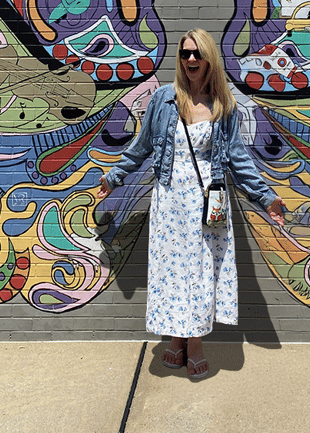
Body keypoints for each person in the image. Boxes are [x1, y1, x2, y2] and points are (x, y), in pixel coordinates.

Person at [98, 28, 287, 380]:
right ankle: (175, 339)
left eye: (197, 54)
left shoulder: (222, 105)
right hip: (170, 202)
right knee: (170, 272)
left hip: (207, 205)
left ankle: (195, 343)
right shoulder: (164, 99)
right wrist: (114, 178)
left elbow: (237, 159)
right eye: (185, 54)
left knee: (200, 272)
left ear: (209, 58)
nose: (190, 60)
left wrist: (265, 197)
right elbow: (140, 148)